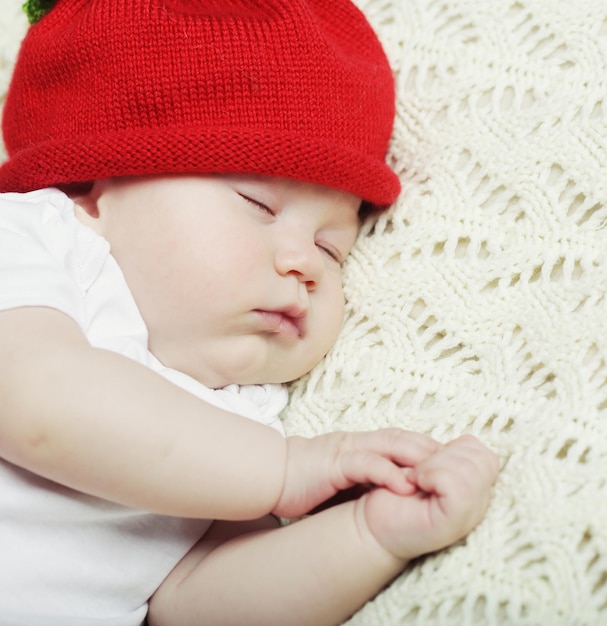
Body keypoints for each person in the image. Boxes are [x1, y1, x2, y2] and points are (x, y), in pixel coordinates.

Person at [0, 1, 499, 625]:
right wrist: (289, 471)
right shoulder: (31, 239)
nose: (305, 264)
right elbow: (37, 403)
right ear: (89, 185)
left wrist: (371, 537)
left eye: (332, 248)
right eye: (257, 203)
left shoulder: (244, 411)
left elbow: (193, 605)